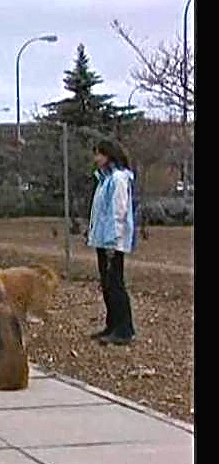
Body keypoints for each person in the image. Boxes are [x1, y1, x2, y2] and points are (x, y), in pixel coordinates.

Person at [87, 139, 136, 346]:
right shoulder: (104, 180)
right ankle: (112, 324)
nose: (95, 159)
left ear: (108, 156)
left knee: (115, 284)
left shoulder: (118, 180)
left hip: (112, 242)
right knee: (107, 285)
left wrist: (112, 241)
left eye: (99, 154)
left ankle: (124, 329)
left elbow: (118, 212)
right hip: (102, 239)